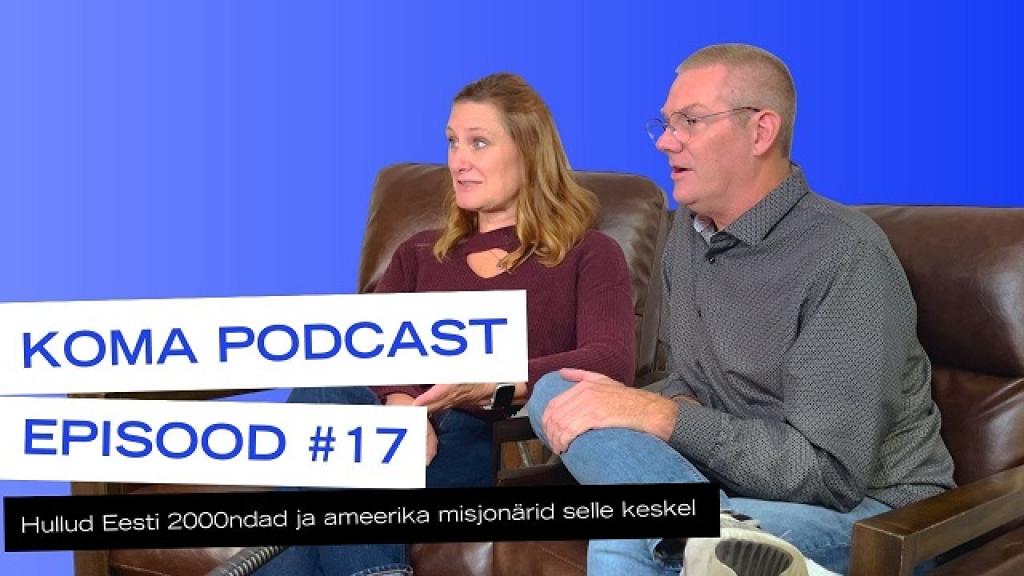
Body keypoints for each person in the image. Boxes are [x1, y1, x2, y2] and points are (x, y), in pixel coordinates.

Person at [527, 43, 955, 576]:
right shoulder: (689, 234)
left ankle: (700, 530)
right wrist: (651, 407)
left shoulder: (845, 254)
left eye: (690, 121)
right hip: (732, 485)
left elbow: (830, 476)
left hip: (876, 516)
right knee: (558, 389)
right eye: (665, 123)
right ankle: (710, 530)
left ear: (761, 131)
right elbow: (690, 383)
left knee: (631, 535)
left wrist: (663, 416)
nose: (665, 140)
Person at [257, 72, 635, 576]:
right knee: (326, 395)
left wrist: (491, 381)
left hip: (490, 441)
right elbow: (365, 347)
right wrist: (401, 409)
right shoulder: (418, 254)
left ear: (529, 151)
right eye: (452, 142)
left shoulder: (588, 253)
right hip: (405, 435)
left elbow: (610, 359)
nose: (458, 161)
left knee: (331, 457)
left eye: (478, 142)